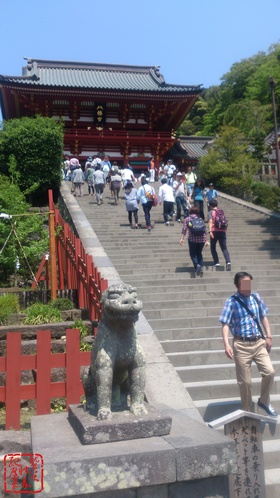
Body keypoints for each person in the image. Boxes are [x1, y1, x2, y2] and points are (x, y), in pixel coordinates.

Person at [219, 271, 277, 416]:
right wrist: (226, 344)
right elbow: (225, 324)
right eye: (245, 283)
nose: (249, 286)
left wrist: (268, 337)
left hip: (258, 342)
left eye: (250, 282)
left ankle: (264, 401)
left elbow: (263, 317)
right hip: (241, 345)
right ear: (238, 285)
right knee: (245, 382)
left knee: (269, 372)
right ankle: (247, 411)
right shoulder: (231, 301)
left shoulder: (256, 297)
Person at [180, 206, 207, 274]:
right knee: (199, 253)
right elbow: (204, 230)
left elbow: (184, 229)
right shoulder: (200, 219)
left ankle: (197, 265)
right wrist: (206, 240)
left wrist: (182, 238)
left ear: (190, 212)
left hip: (192, 239)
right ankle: (201, 267)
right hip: (201, 239)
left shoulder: (187, 219)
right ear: (197, 212)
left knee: (193, 254)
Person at [208, 199, 231, 270]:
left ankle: (217, 262)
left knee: (213, 247)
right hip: (222, 231)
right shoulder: (221, 211)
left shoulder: (211, 212)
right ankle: (228, 262)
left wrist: (210, 231)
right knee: (224, 248)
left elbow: (210, 221)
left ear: (211, 206)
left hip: (214, 231)